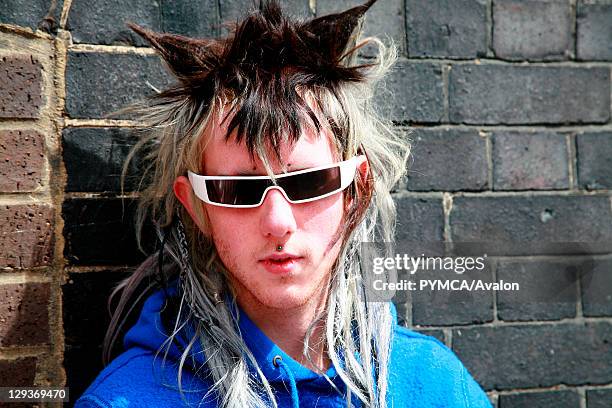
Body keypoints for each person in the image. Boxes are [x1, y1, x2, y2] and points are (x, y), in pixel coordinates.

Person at [75, 1, 492, 407]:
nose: (277, 222)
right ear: (195, 206)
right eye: (237, 190)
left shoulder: (436, 383)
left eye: (309, 182)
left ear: (355, 190)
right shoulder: (126, 399)